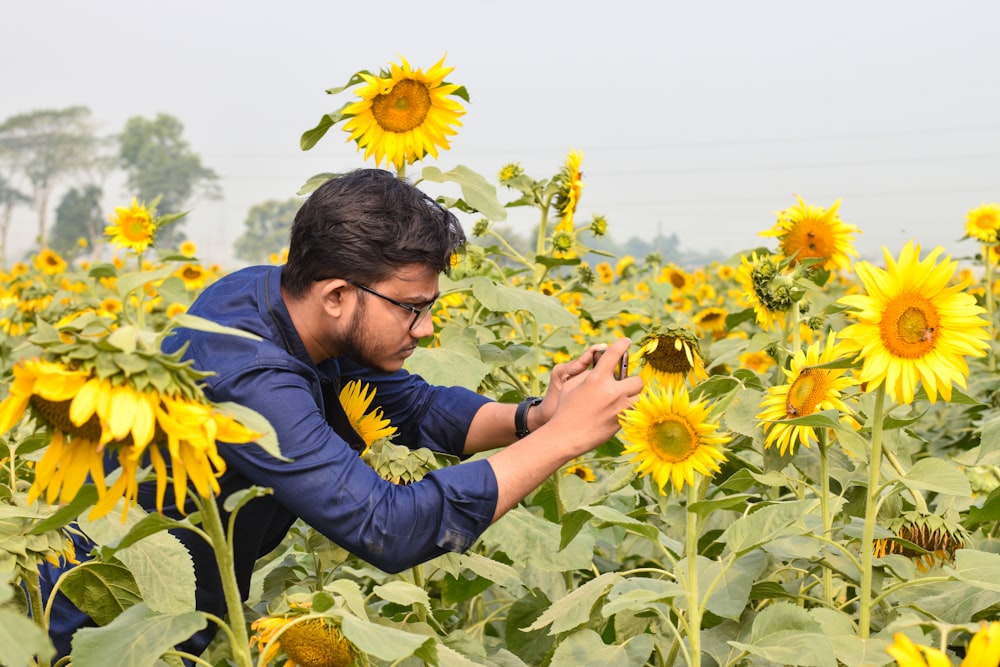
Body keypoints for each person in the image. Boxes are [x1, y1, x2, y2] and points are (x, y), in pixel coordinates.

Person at [43, 168, 642, 658]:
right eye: (412, 308)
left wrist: (533, 417)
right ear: (336, 295)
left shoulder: (282, 299)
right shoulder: (249, 376)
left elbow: (417, 406)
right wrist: (564, 438)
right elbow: (388, 526)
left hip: (188, 612)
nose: (426, 329)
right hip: (114, 629)